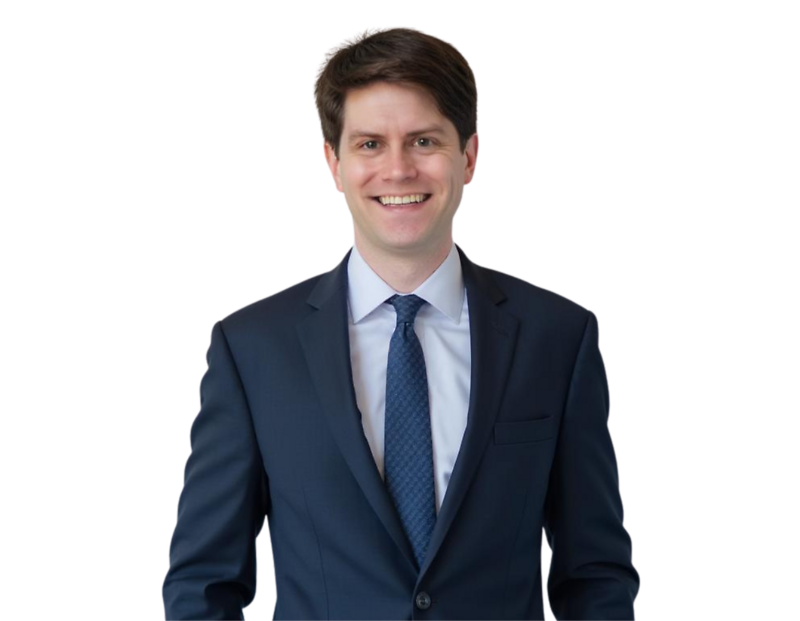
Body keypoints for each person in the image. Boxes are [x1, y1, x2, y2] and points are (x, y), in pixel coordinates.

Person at [161, 26, 640, 620]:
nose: (398, 170)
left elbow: (595, 572)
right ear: (331, 161)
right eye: (368, 144)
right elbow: (204, 582)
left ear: (468, 156)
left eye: (423, 140)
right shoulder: (252, 346)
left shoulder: (558, 336)